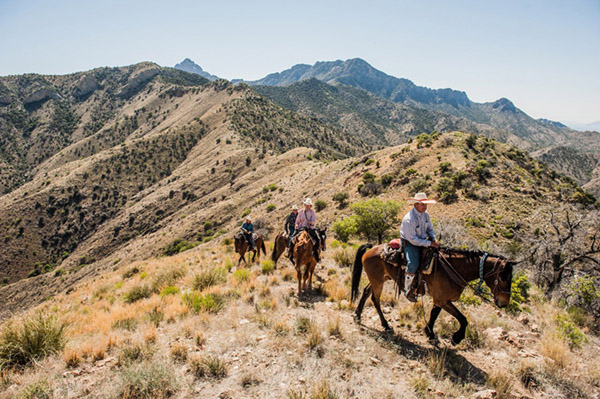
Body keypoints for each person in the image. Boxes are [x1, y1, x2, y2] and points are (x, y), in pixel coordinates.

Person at [400, 192, 440, 302]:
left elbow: (429, 228)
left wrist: (433, 239)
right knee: (413, 264)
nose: (425, 206)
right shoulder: (409, 219)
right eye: (422, 204)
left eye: (425, 204)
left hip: (423, 240)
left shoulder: (425, 214)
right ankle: (407, 289)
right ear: (415, 204)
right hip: (410, 243)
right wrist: (429, 244)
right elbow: (413, 239)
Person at [288, 198, 320, 262]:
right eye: (306, 204)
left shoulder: (312, 212)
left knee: (318, 239)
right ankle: (290, 253)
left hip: (310, 228)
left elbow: (314, 221)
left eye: (308, 205)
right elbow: (297, 221)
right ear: (304, 205)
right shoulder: (300, 212)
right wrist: (296, 225)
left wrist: (311, 222)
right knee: (292, 239)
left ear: (310, 206)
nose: (307, 206)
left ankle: (316, 255)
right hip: (301, 228)